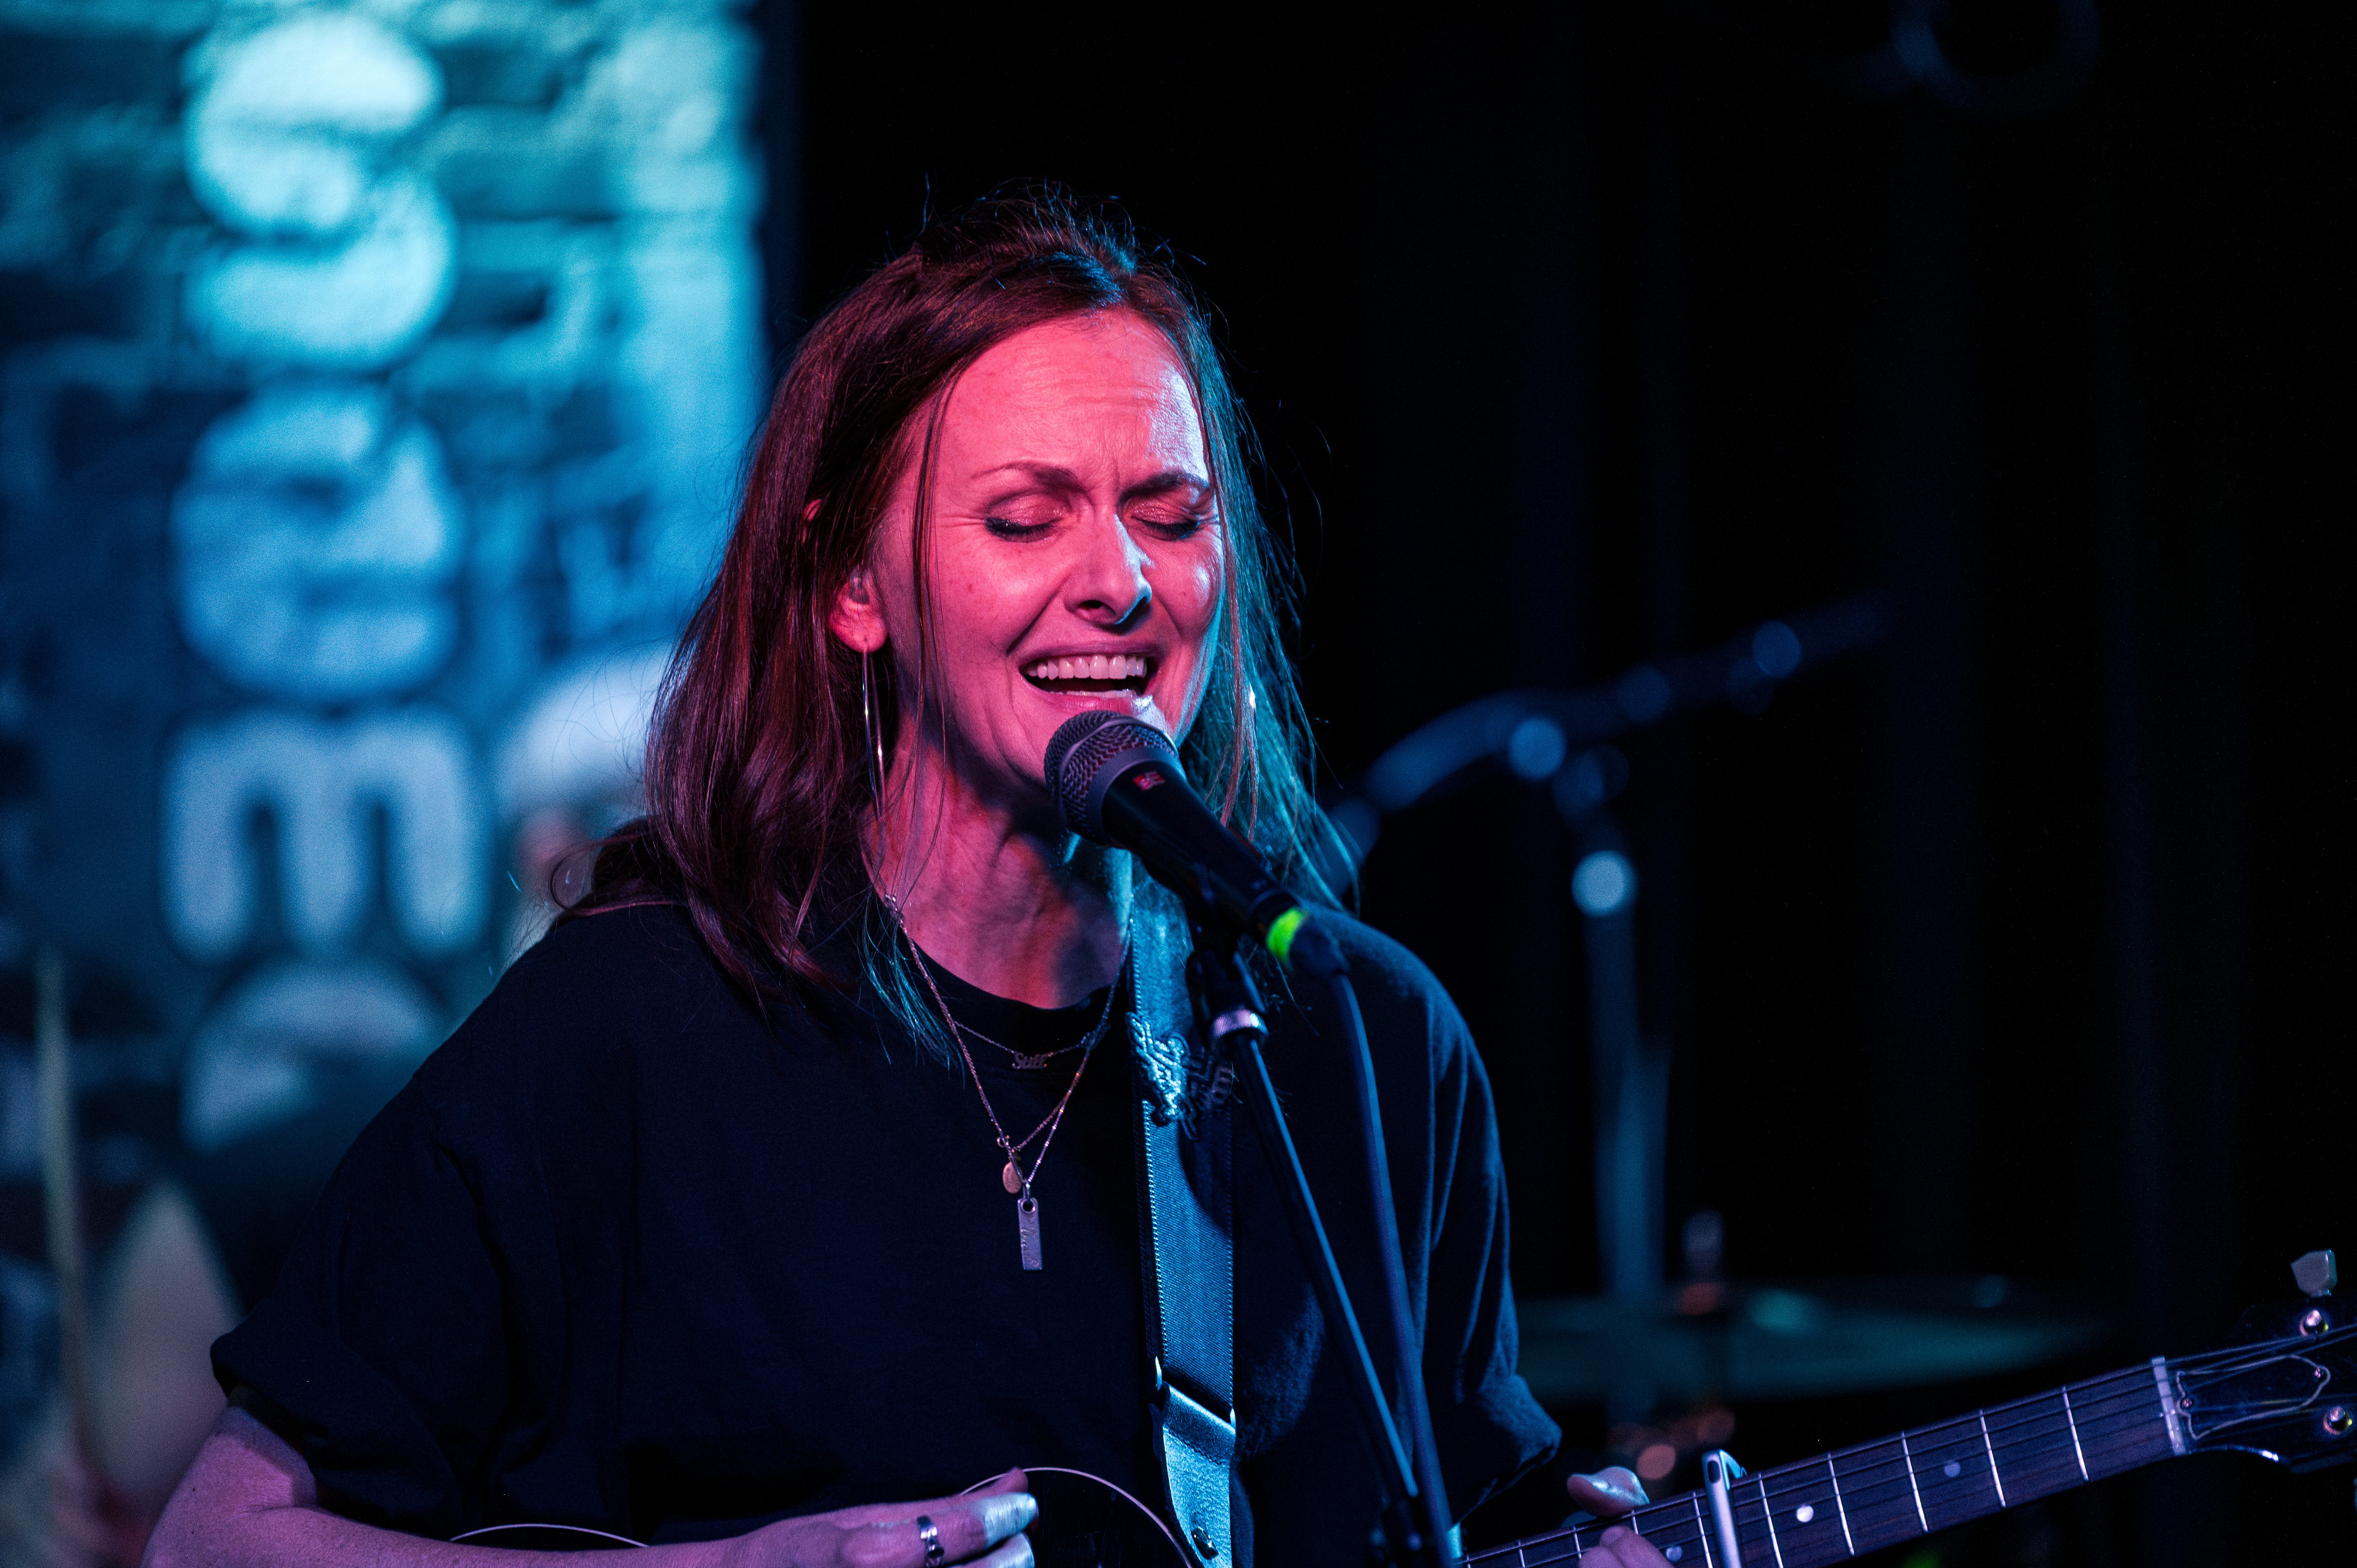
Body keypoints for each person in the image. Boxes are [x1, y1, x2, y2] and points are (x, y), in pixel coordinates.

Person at [144, 193, 1671, 1568]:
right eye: (1026, 516)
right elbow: (216, 1539)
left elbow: (1472, 1500)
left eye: (1171, 514)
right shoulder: (622, 1036)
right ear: (852, 585)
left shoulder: (1362, 1038)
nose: (1122, 581)